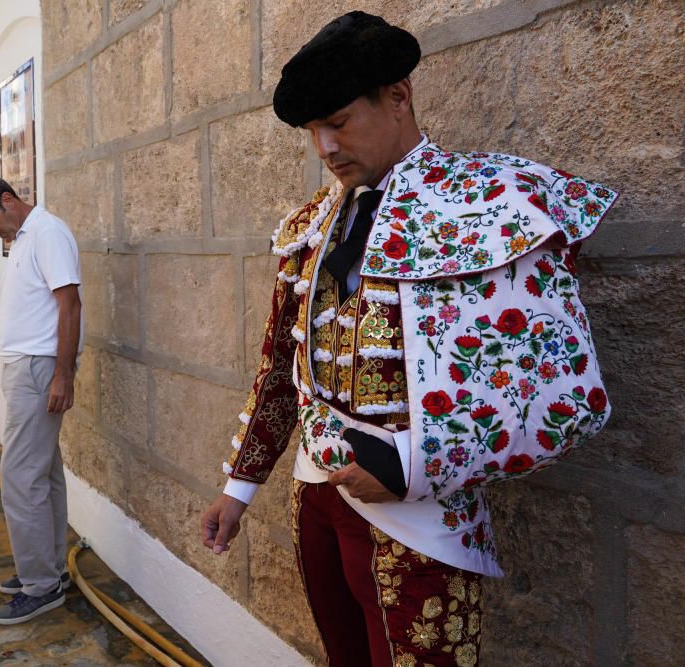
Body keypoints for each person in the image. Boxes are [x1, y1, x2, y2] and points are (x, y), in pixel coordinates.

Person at [199, 12, 616, 666]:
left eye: (337, 122)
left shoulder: (487, 202)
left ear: (399, 96)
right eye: (314, 131)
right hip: (314, 497)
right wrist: (240, 484)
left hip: (422, 520)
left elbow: (557, 388)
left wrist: (412, 463)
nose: (325, 149)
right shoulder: (313, 226)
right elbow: (282, 364)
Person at [0, 176, 82, 626]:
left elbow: (69, 306)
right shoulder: (23, 235)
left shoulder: (47, 232)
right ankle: (47, 572)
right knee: (42, 472)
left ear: (8, 199)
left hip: (39, 366)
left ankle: (40, 586)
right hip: (29, 364)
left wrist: (62, 374)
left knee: (18, 476)